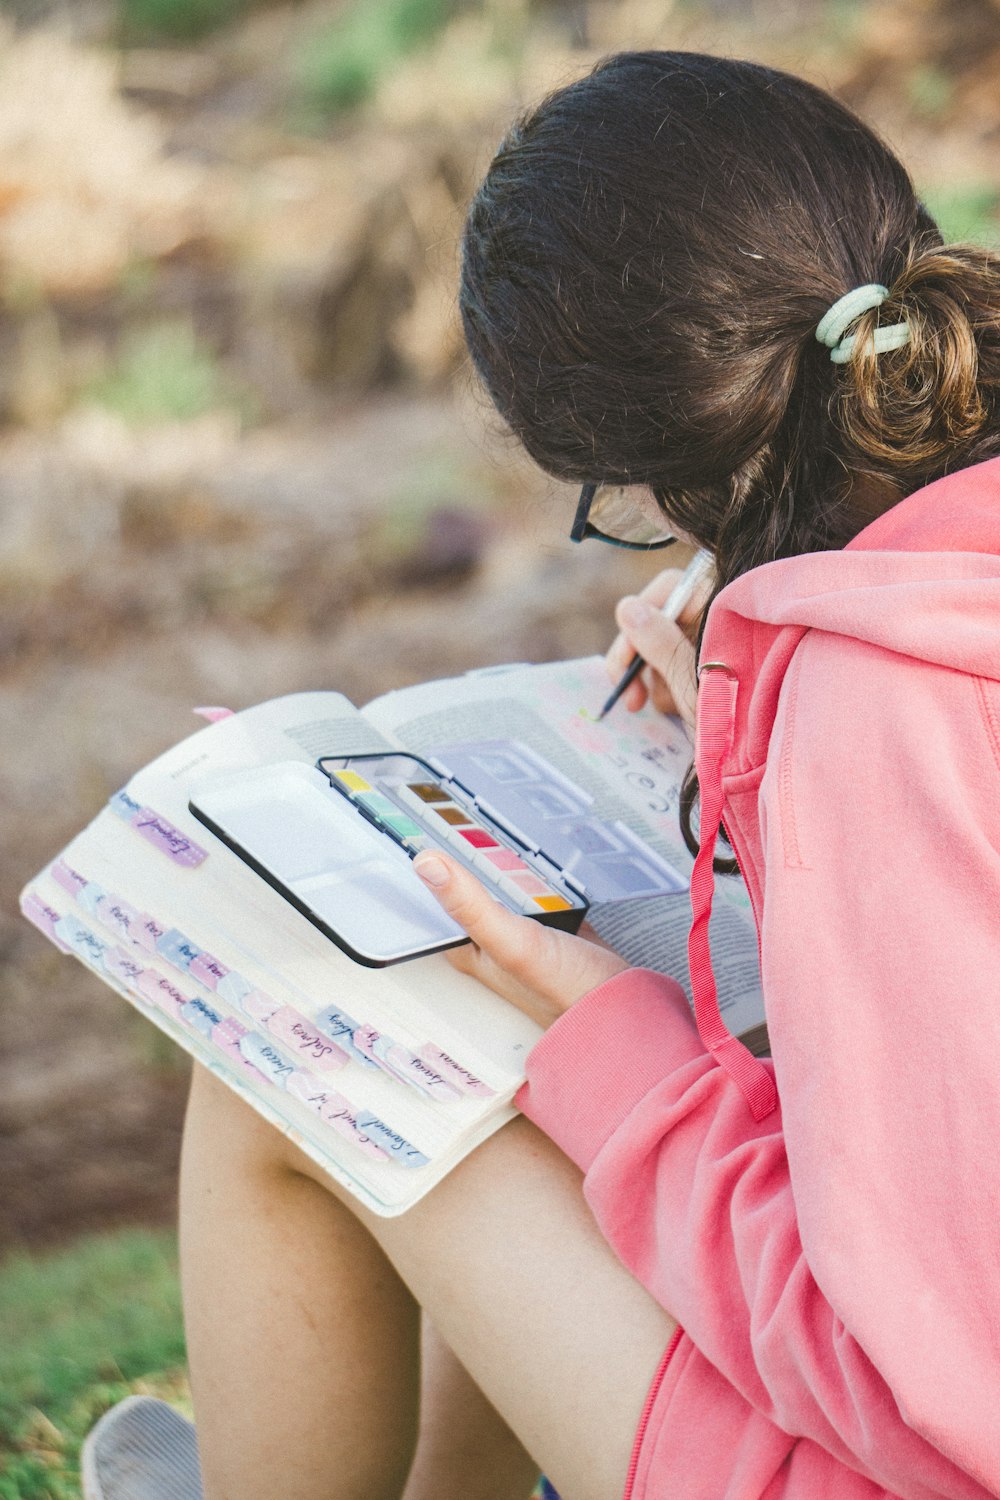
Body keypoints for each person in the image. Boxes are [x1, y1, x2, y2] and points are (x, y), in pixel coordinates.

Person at [83, 50, 1000, 1500]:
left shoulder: (876, 702)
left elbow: (936, 1377)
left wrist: (618, 1052)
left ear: (619, 458)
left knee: (283, 1036)